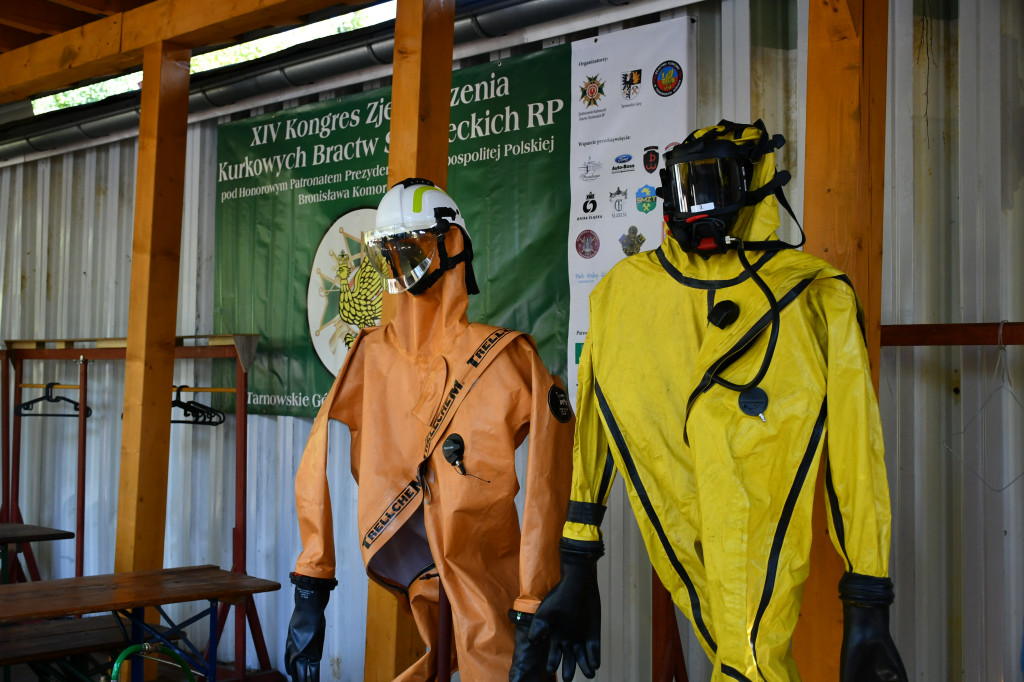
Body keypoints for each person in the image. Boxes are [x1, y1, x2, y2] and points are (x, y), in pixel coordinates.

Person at [530, 121, 908, 682]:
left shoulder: (813, 294)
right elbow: (598, 422)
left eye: (717, 184)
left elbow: (857, 452)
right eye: (688, 186)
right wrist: (579, 555)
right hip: (682, 549)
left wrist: (868, 596)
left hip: (761, 557)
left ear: (755, 185)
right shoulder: (622, 294)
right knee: (742, 654)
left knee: (748, 653)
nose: (701, 206)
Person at [286, 178, 573, 681]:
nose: (400, 267)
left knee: (493, 658)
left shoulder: (508, 359)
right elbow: (315, 459)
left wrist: (537, 599)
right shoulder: (370, 355)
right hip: (409, 563)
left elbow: (550, 483)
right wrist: (311, 582)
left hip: (489, 573)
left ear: (453, 245)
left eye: (411, 250)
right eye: (388, 255)